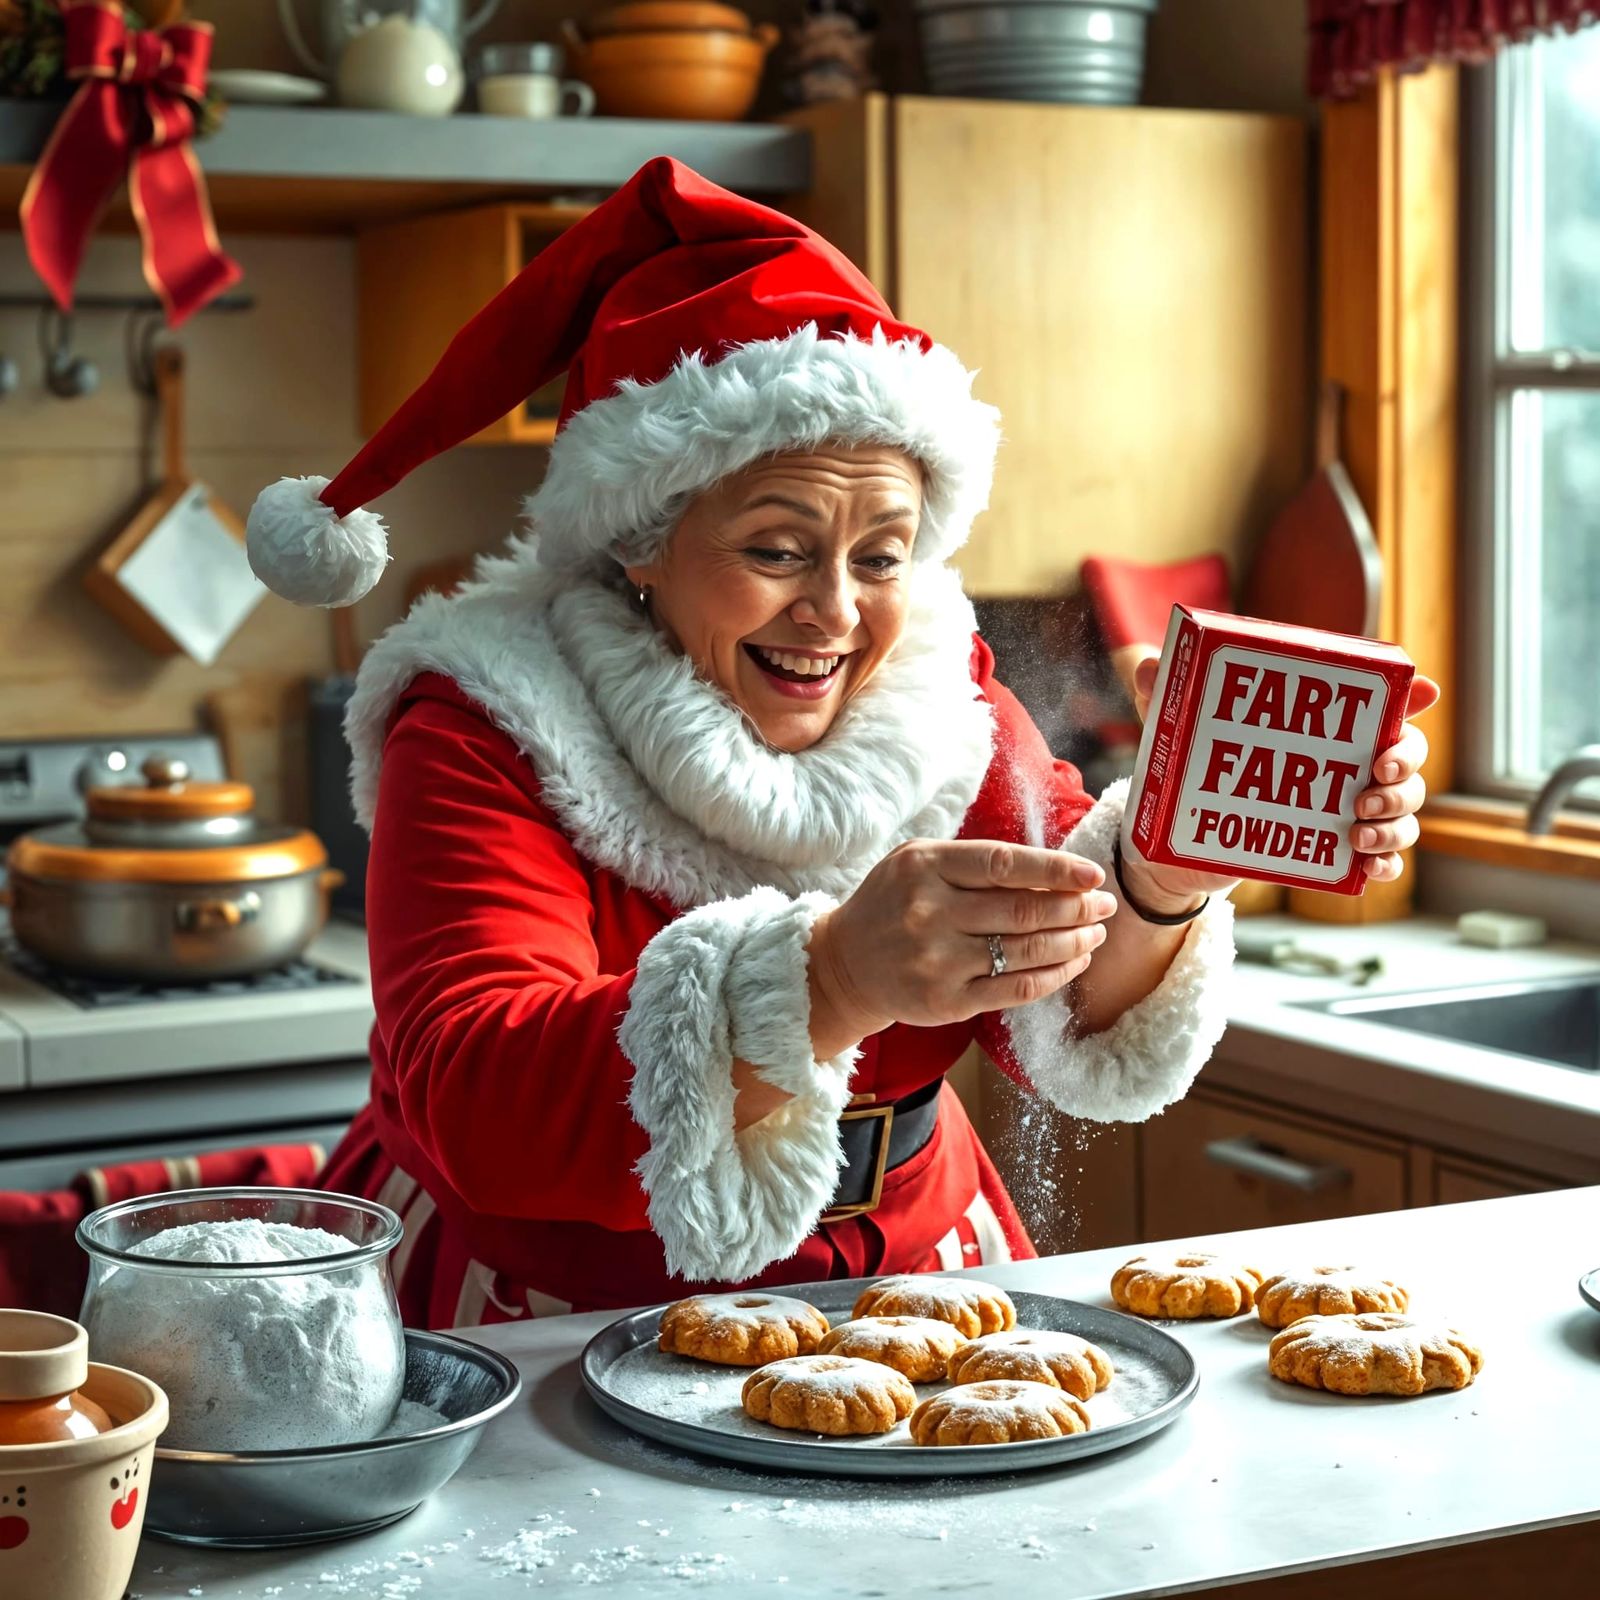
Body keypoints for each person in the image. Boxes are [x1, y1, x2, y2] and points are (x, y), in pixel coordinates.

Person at [246, 159, 1436, 1328]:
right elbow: (482, 1103)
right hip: (554, 1303)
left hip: (916, 1283)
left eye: (881, 555)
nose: (835, 610)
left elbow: (1057, 1009)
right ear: (640, 542)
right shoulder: (489, 720)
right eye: (775, 549)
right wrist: (829, 983)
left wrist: (1164, 871)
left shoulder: (942, 710)